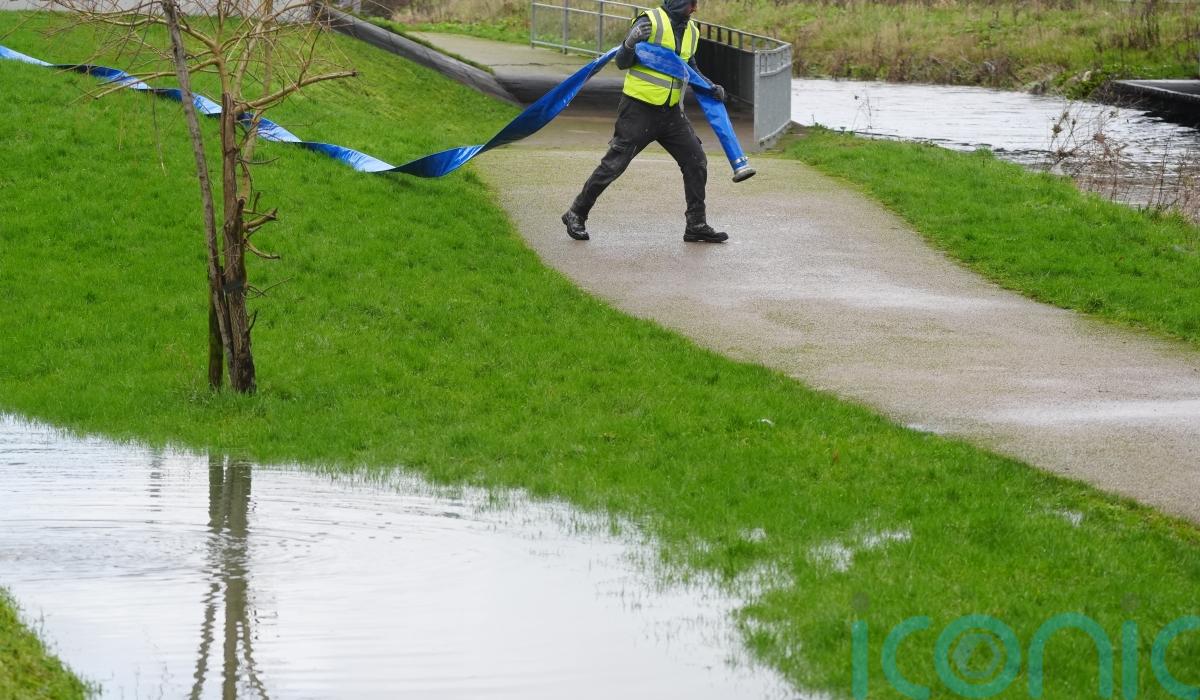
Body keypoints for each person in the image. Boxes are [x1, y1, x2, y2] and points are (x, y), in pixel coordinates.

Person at [561, 0, 730, 243]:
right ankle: (576, 213)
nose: (695, 9)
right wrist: (630, 43)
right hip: (638, 109)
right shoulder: (649, 21)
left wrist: (710, 86)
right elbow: (622, 61)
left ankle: (696, 224)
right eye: (691, 4)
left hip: (671, 112)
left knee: (696, 160)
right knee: (614, 164)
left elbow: (690, 67)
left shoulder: (692, 29)